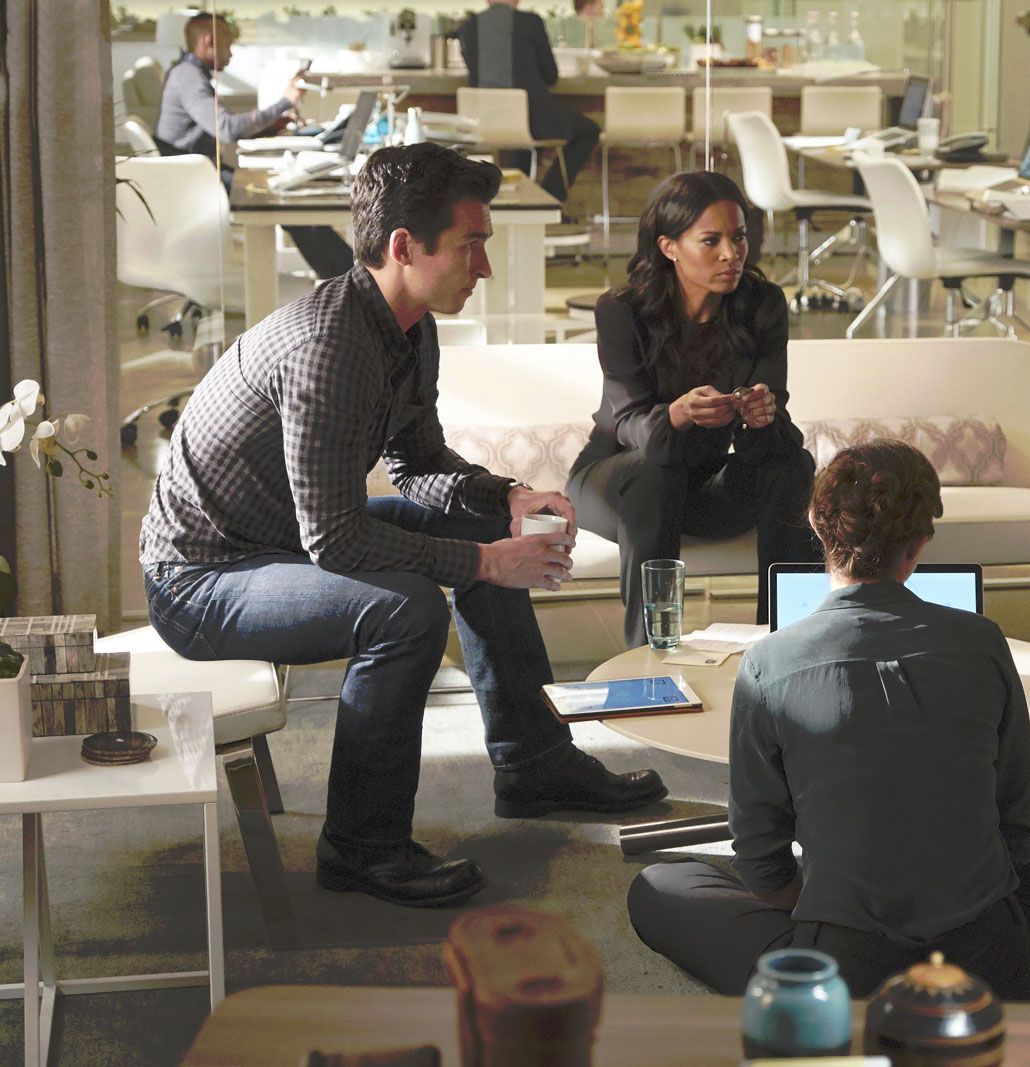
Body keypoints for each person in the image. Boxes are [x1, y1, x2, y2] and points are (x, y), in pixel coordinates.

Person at [139, 143, 667, 910]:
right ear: (404, 246)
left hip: (282, 541)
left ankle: (534, 762)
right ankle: (362, 845)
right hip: (204, 579)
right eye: (470, 244)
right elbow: (336, 541)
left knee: (472, 519)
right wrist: (487, 563)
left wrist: (505, 495)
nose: (484, 266)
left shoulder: (408, 327)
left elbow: (416, 462)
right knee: (407, 609)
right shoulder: (328, 346)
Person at [627, 440, 1030, 999]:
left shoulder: (768, 662)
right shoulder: (983, 640)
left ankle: (825, 998)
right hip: (986, 952)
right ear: (921, 543)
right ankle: (1013, 980)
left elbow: (760, 852)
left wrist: (809, 905)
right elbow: (1014, 819)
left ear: (816, 524)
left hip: (844, 975)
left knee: (659, 884)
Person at [566, 171, 817, 648]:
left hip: (699, 486)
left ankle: (786, 645)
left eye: (738, 237)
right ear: (669, 246)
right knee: (656, 472)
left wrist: (762, 417)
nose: (731, 254)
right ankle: (651, 653)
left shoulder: (761, 305)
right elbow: (631, 423)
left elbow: (776, 430)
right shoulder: (621, 310)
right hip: (616, 482)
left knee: (791, 466)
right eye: (711, 240)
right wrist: (677, 415)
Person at [155, 13, 354, 280]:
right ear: (210, 41)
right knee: (284, 201)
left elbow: (223, 126)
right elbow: (226, 129)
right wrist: (285, 101)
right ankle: (351, 280)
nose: (231, 53)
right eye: (228, 44)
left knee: (287, 198)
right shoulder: (188, 77)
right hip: (196, 182)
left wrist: (271, 124)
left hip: (201, 174)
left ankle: (346, 277)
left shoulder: (190, 74)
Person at [457, 0, 602, 204]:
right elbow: (551, 76)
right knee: (588, 130)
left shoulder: (468, 27)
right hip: (533, 121)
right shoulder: (530, 22)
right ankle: (549, 198)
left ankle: (521, 202)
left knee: (524, 139)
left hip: (484, 122)